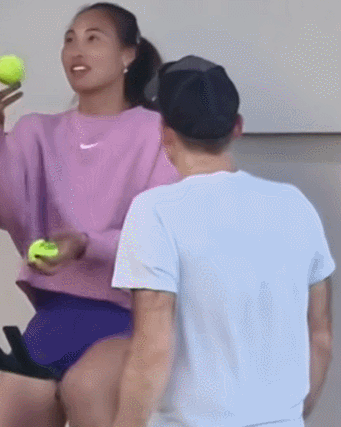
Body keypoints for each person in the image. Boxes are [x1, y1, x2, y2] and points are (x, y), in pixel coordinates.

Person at [0, 2, 180, 427]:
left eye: (93, 38)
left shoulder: (157, 133)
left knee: (88, 392)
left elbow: (164, 236)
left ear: (128, 55)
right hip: (55, 317)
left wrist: (86, 245)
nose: (77, 51)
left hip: (130, 317)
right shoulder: (37, 131)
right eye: (69, 40)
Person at [109, 55, 336, 427]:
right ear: (237, 127)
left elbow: (152, 349)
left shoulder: (155, 211)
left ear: (165, 133)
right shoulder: (295, 205)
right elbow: (321, 337)